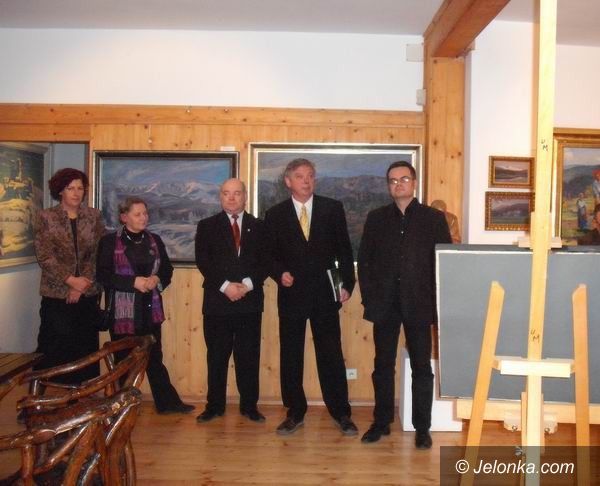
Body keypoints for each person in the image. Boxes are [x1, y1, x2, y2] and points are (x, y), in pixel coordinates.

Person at [357, 161, 451, 448]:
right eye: (393, 180)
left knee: (421, 367)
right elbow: (365, 261)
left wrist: (436, 302)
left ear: (415, 183)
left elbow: (442, 262)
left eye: (404, 179)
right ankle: (381, 421)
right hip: (384, 303)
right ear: (388, 186)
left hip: (419, 303)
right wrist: (370, 297)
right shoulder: (376, 218)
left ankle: (422, 428)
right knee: (382, 365)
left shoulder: (433, 219)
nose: (398, 184)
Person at [264, 158, 358, 436]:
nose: (306, 181)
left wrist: (346, 284)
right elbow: (269, 255)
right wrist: (279, 273)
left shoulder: (332, 208)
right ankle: (295, 412)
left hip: (325, 294)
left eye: (310, 176)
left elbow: (344, 252)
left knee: (331, 354)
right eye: (300, 176)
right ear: (288, 181)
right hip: (292, 294)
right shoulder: (276, 214)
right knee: (291, 356)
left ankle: (341, 412)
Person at [96, 197, 194, 415]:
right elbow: (102, 275)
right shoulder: (109, 242)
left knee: (154, 358)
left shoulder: (154, 240)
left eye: (145, 213)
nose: (144, 218)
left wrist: (156, 279)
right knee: (123, 362)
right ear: (124, 217)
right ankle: (119, 408)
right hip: (122, 314)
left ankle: (168, 404)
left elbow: (167, 270)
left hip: (150, 310)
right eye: (138, 214)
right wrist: (133, 283)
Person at [195, 178, 268, 423]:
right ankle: (214, 406)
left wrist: (246, 285)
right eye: (226, 193)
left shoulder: (259, 227)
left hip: (249, 302)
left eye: (237, 193)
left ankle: (249, 406)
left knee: (248, 357)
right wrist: (226, 287)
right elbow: (203, 261)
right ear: (220, 197)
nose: (232, 198)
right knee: (216, 357)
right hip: (217, 302)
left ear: (245, 196)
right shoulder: (207, 226)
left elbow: (265, 261)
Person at [33, 168, 105, 383]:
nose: (76, 193)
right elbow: (45, 256)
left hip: (87, 293)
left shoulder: (93, 216)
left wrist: (82, 284)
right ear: (60, 191)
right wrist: (70, 281)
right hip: (56, 294)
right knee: (53, 345)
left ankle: (81, 393)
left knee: (84, 346)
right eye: (70, 188)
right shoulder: (46, 217)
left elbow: (99, 253)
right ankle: (43, 394)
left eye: (80, 188)